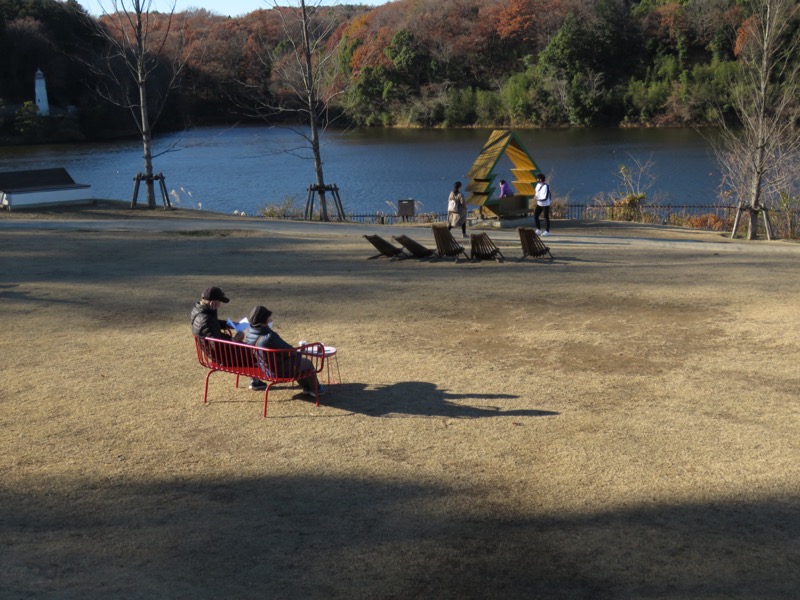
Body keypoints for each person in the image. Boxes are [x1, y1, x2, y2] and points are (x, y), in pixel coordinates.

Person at [190, 285, 264, 390]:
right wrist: (235, 339)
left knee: (248, 348)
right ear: (212, 302)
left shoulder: (199, 311)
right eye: (219, 302)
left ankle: (255, 380)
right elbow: (216, 344)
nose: (220, 305)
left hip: (212, 352)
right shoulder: (206, 318)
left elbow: (211, 325)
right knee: (255, 351)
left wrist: (229, 324)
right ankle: (257, 380)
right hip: (223, 356)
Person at [245, 305, 325, 397]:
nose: (271, 319)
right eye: (269, 317)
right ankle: (315, 389)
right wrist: (299, 352)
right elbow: (289, 351)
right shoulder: (269, 336)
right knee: (306, 362)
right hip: (277, 370)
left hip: (265, 367)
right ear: (264, 321)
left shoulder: (249, 333)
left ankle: (308, 388)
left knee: (299, 362)